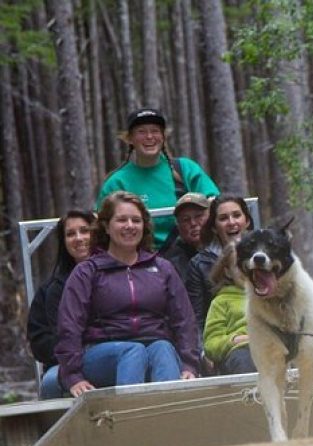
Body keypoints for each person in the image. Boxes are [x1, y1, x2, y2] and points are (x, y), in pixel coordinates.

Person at [55, 191, 199, 397]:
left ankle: (169, 422)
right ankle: (130, 423)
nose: (130, 226)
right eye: (121, 220)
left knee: (163, 348)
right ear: (106, 225)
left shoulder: (163, 268)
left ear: (144, 225)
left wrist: (189, 365)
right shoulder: (88, 271)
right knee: (134, 352)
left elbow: (184, 320)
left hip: (155, 344)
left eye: (136, 220)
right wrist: (72, 375)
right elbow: (69, 325)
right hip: (101, 351)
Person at [96, 108, 219, 249]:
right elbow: (101, 224)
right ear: (130, 139)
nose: (149, 137)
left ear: (163, 137)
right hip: (138, 259)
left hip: (191, 255)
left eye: (155, 131)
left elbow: (215, 201)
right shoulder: (117, 182)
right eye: (141, 132)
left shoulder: (184, 169)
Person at [26, 209, 96, 399]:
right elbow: (40, 342)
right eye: (70, 234)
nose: (79, 238)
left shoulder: (117, 276)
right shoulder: (51, 289)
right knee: (50, 383)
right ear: (63, 242)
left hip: (110, 354)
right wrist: (76, 352)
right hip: (63, 364)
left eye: (85, 230)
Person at [186, 194, 254, 342]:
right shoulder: (199, 265)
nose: (231, 222)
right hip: (225, 340)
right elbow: (196, 318)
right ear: (214, 228)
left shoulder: (264, 255)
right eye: (223, 218)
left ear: (247, 221)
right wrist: (203, 352)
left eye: (237, 215)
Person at [203, 244, 256, 375]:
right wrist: (234, 340)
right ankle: (250, 394)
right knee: (244, 358)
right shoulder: (221, 302)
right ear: (227, 271)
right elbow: (211, 344)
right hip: (240, 352)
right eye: (238, 266)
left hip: (270, 350)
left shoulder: (271, 298)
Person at [160, 192, 210, 282]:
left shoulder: (226, 247)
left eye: (199, 216)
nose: (193, 223)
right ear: (178, 227)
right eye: (185, 219)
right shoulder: (171, 263)